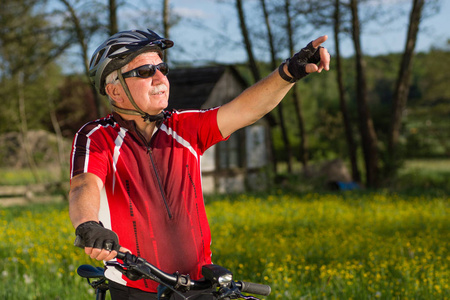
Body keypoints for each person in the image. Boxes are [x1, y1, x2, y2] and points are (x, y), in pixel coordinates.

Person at [69, 29, 330, 299]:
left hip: (198, 285)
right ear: (115, 91)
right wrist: (89, 225)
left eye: (162, 68)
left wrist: (289, 71)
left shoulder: (184, 127)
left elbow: (246, 110)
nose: (160, 78)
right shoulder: (98, 137)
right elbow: (83, 184)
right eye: (146, 71)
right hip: (137, 288)